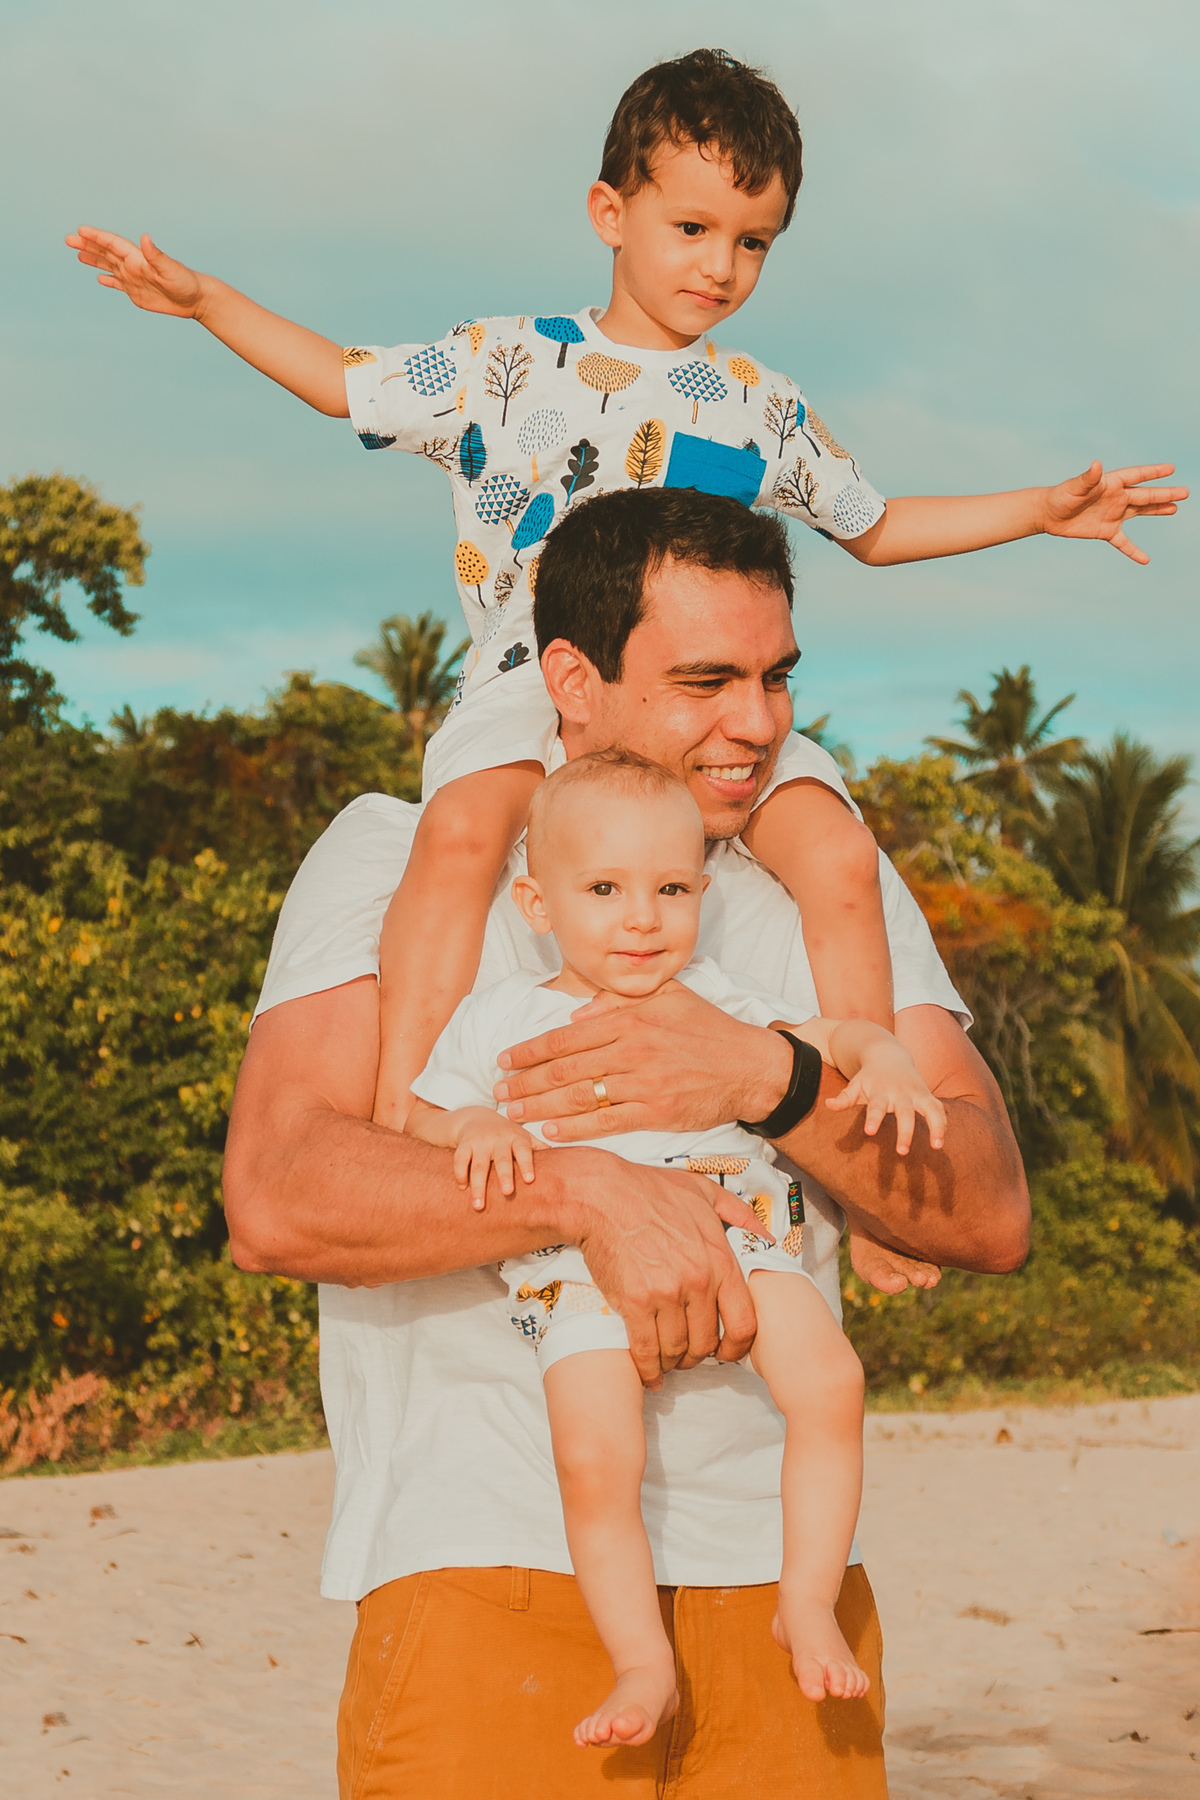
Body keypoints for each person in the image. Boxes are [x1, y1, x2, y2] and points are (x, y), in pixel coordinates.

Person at [68, 48, 1185, 1284]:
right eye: (694, 226)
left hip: (700, 706)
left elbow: (872, 527)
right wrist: (205, 300)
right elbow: (344, 384)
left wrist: (1041, 508)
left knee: (837, 853)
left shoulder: (761, 404)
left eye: (755, 243)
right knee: (457, 835)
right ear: (611, 213)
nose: (721, 266)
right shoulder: (513, 364)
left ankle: (873, 1141)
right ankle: (413, 1113)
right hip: (526, 693)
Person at [223, 488, 1030, 1799]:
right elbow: (280, 1193)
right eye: (704, 679)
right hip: (488, 1562)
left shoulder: (815, 888)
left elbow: (986, 1206)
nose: (757, 722)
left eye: (776, 678)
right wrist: (586, 1192)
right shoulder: (388, 859)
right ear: (572, 680)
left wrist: (766, 1077)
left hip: (783, 1582)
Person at [406, 744, 947, 1750]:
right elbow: (424, 1114)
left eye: (669, 887)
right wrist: (473, 1128)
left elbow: (837, 1038)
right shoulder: (505, 1015)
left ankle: (807, 1596)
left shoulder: (717, 997)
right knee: (594, 1457)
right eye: (604, 888)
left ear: (703, 889)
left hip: (738, 1228)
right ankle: (643, 1661)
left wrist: (891, 1059)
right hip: (573, 1270)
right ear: (536, 902)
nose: (642, 917)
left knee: (831, 1384)